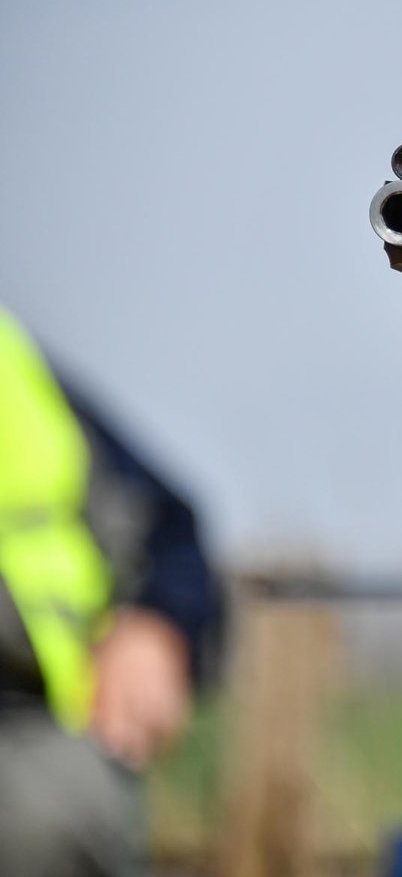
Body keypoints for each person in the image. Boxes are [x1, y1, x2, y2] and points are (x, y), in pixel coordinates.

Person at [0, 305, 224, 875]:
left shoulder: (14, 367)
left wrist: (157, 626)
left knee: (46, 813)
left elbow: (169, 525)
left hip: (38, 731)